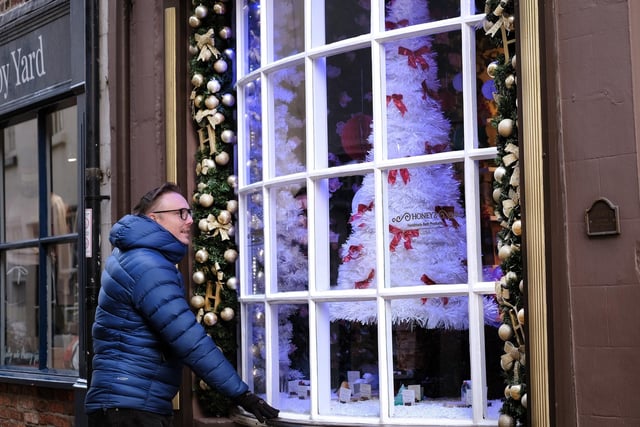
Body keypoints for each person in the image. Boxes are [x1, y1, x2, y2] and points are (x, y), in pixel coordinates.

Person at [85, 183, 279, 426]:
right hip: (130, 410)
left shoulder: (135, 257)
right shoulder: (148, 265)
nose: (189, 221)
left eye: (189, 213)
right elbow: (188, 338)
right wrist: (242, 394)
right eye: (181, 213)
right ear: (154, 219)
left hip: (122, 403)